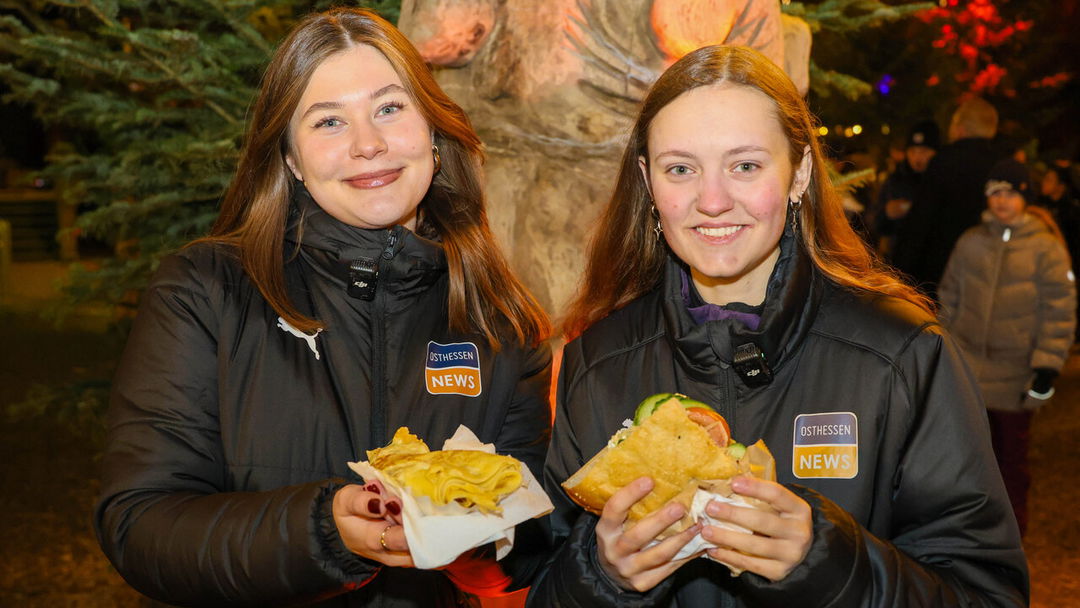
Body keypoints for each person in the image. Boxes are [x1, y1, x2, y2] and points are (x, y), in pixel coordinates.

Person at [527, 45, 1027, 607]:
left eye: (745, 165)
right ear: (648, 180)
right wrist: (602, 577)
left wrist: (832, 567)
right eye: (681, 169)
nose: (712, 201)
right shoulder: (598, 362)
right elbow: (546, 586)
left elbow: (987, 594)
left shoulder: (902, 355)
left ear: (799, 173)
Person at [94, 8, 553, 607]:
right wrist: (326, 531)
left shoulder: (499, 320)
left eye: (390, 108)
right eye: (329, 121)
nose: (369, 144)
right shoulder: (205, 292)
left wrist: (469, 542)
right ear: (291, 159)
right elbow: (140, 525)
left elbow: (525, 550)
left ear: (433, 133)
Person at [938, 159, 1077, 536]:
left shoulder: (1045, 248)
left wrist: (1046, 367)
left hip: (1015, 373)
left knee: (1011, 460)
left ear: (1025, 198)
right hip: (970, 370)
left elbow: (1059, 309)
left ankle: (1011, 533)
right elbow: (949, 297)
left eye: (1011, 193)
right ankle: (973, 532)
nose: (1002, 200)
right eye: (995, 192)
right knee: (969, 458)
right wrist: (943, 346)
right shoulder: (970, 242)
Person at [892, 97, 1002, 298]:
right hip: (988, 268)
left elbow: (921, 220)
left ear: (960, 128)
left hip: (941, 267)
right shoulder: (1001, 165)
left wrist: (900, 271)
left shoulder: (944, 161)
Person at [867, 119, 939, 260]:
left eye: (924, 151)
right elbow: (872, 220)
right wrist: (886, 213)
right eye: (912, 151)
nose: (917, 157)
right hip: (899, 258)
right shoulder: (894, 180)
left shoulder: (942, 180)